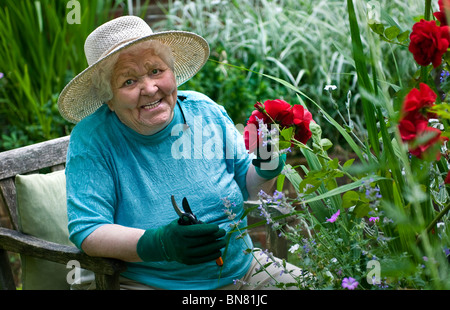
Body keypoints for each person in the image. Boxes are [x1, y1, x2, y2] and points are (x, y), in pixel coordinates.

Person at [58, 15, 301, 290]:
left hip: (242, 272)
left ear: (172, 72)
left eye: (156, 71)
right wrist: (161, 244)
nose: (150, 89)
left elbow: (248, 188)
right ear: (108, 98)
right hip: (152, 283)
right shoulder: (93, 140)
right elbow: (88, 231)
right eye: (128, 81)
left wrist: (266, 167)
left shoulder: (204, 111)